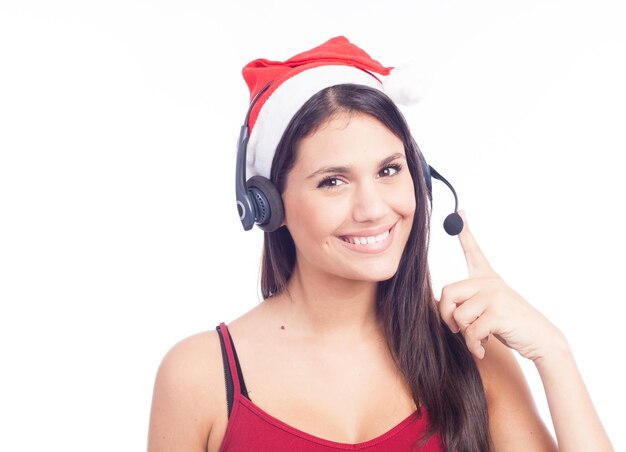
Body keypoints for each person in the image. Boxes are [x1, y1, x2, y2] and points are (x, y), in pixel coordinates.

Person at [147, 36, 613, 451]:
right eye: (333, 181)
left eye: (389, 170)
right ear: (268, 204)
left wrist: (555, 353)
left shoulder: (474, 353)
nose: (372, 208)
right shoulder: (199, 377)